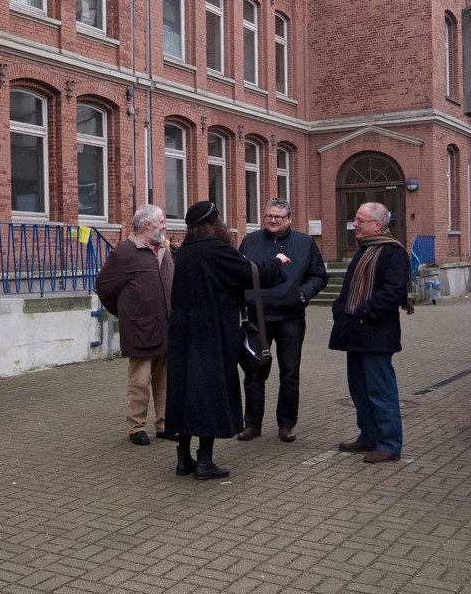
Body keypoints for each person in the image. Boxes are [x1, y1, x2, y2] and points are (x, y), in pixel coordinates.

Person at [164, 200, 289, 480]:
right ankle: (205, 462)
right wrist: (278, 263)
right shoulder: (216, 249)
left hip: (183, 331)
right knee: (211, 390)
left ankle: (183, 459)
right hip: (210, 331)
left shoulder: (185, 251)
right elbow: (251, 273)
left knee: (185, 390)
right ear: (215, 222)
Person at [236, 198, 328, 443]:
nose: (273, 220)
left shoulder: (305, 243)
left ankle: (286, 424)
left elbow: (318, 276)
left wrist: (302, 294)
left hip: (291, 318)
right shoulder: (250, 241)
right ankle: (252, 423)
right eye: (269, 216)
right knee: (254, 372)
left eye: (278, 217)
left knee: (290, 373)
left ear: (289, 218)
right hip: (257, 318)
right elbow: (238, 273)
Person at [330, 202, 412, 464]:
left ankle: (389, 445)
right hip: (355, 333)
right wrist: (340, 310)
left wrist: (363, 312)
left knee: (381, 391)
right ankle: (368, 436)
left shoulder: (392, 252)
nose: (354, 224)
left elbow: (392, 294)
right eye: (355, 219)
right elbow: (349, 289)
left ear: (376, 225)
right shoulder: (365, 250)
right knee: (359, 390)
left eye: (359, 220)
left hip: (376, 335)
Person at [95, 204, 176, 446]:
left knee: (166, 381)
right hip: (140, 329)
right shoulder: (124, 252)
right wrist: (125, 313)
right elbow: (104, 287)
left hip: (167, 326)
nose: (165, 225)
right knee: (139, 382)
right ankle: (136, 427)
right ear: (148, 225)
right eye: (162, 221)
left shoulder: (164, 249)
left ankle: (164, 425)